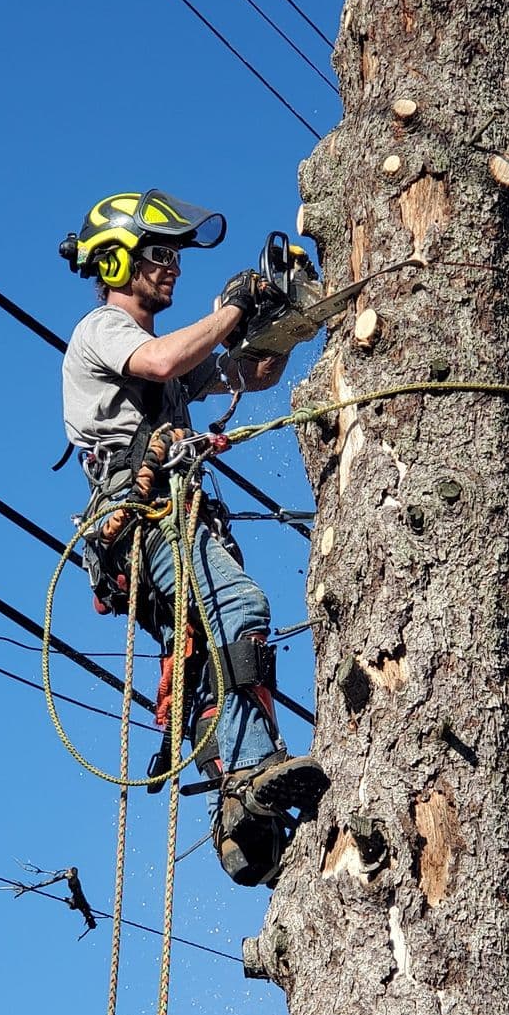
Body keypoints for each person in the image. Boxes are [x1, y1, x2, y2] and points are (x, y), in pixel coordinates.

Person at [60, 188, 326, 886]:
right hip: (140, 521)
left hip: (171, 519)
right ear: (118, 259)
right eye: (159, 253)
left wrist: (282, 319)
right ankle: (249, 768)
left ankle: (246, 813)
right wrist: (232, 309)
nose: (172, 265)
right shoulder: (105, 331)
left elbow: (249, 374)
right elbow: (161, 365)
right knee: (240, 609)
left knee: (213, 649)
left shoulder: (165, 347)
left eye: (176, 253)